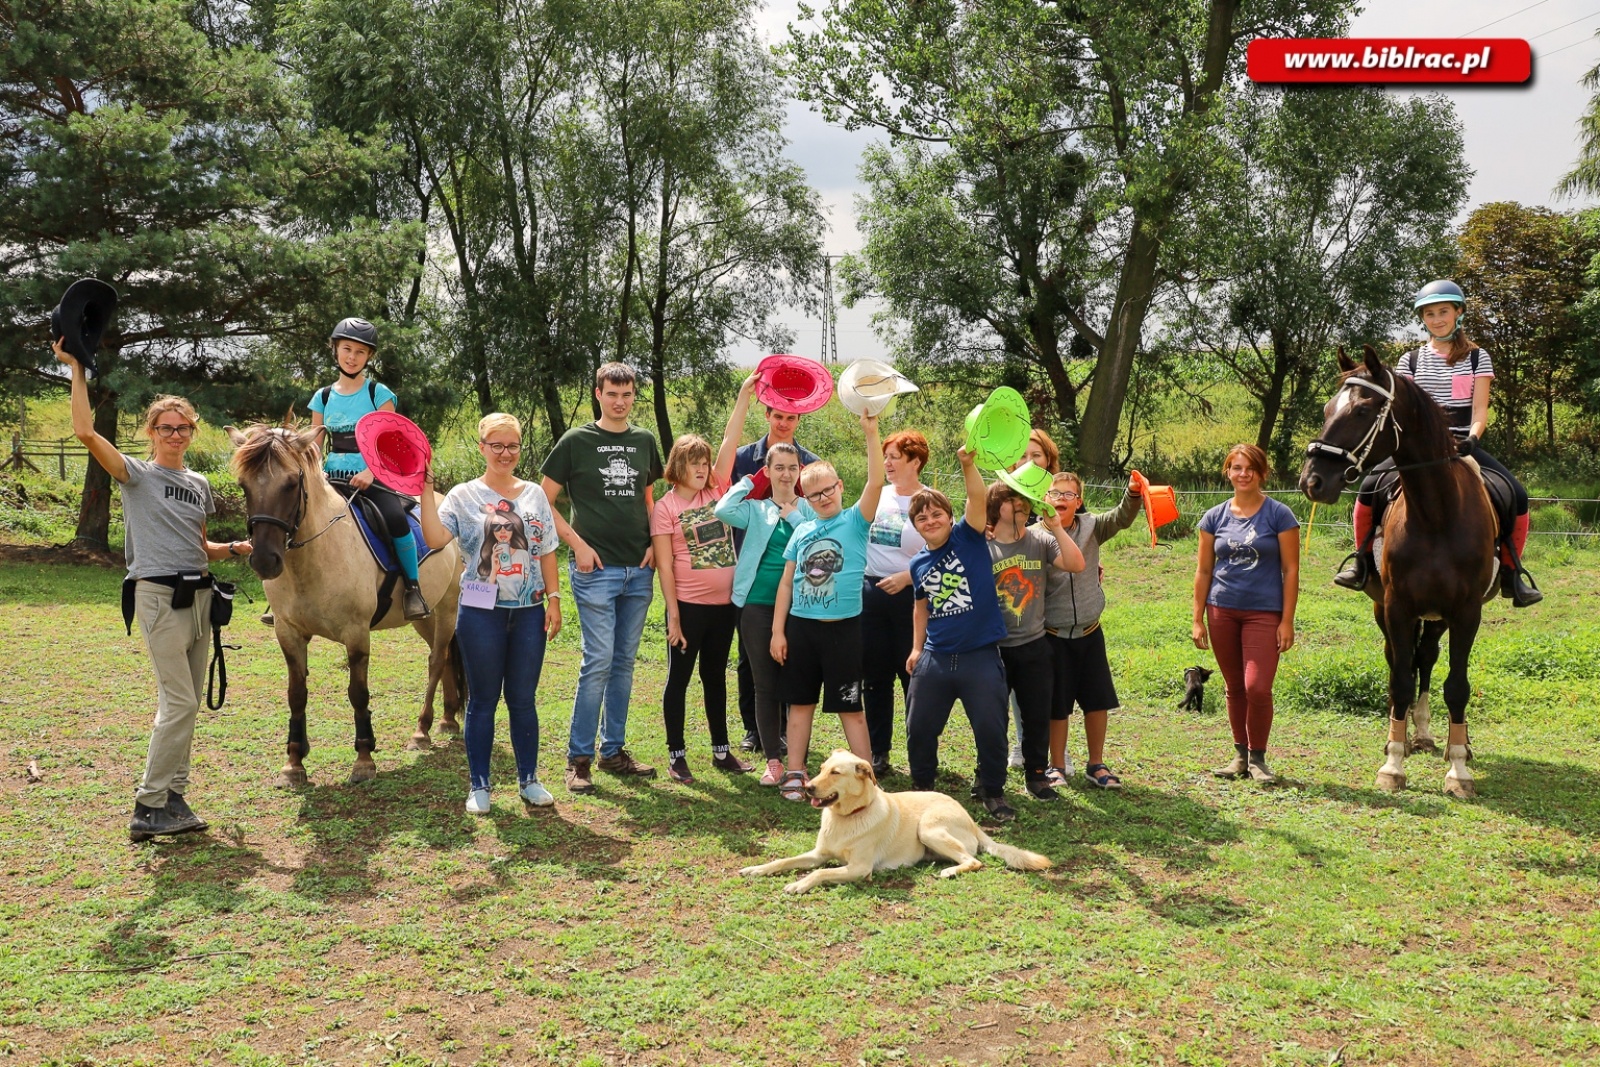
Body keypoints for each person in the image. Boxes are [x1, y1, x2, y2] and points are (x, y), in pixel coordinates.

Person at [57, 342, 252, 841]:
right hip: (158, 595)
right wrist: (78, 371)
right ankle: (148, 806)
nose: (176, 434)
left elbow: (199, 545)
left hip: (201, 597)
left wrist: (234, 548)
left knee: (184, 702)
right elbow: (84, 431)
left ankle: (174, 797)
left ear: (192, 431)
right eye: (166, 427)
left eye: (183, 427)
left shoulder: (200, 482)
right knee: (180, 701)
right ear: (152, 432)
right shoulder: (136, 474)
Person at [1333, 279, 1539, 606]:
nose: (1437, 319)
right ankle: (1360, 562)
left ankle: (1512, 574)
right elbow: (1403, 410)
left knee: (1516, 494)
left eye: (1444, 311)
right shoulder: (1410, 360)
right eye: (1430, 313)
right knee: (1368, 490)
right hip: (1417, 448)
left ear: (1458, 313)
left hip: (1462, 442)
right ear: (1423, 318)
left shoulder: (1477, 358)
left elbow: (1480, 409)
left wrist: (1473, 438)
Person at [417, 414, 561, 812]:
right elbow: (433, 538)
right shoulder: (463, 495)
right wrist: (427, 492)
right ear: (482, 447)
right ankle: (479, 786)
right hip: (481, 612)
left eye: (512, 445)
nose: (505, 453)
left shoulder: (533, 494)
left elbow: (546, 548)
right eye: (496, 445)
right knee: (482, 700)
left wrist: (554, 599)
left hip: (529, 611)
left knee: (522, 699)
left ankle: (528, 779)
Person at [541, 362, 665, 793]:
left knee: (624, 663)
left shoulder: (645, 441)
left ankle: (612, 751)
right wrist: (577, 544)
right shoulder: (576, 442)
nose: (620, 401)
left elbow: (650, 498)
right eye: (612, 393)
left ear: (634, 396)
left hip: (639, 569)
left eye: (627, 394)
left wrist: (654, 541)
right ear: (598, 393)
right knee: (598, 661)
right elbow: (544, 500)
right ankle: (578, 758)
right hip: (596, 571)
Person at [769, 413, 885, 801]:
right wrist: (777, 631)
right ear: (805, 497)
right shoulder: (801, 529)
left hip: (844, 631)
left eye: (828, 490)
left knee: (850, 709)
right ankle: (796, 773)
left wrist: (871, 431)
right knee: (800, 705)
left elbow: (875, 481)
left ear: (839, 486)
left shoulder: (855, 520)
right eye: (814, 494)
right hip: (802, 630)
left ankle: (866, 779)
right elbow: (787, 582)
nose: (823, 498)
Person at [903, 447, 1015, 820]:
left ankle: (993, 790)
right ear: (915, 526)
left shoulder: (967, 538)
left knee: (990, 728)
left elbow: (977, 497)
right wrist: (917, 649)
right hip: (936, 657)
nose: (930, 520)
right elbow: (921, 605)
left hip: (979, 657)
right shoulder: (917, 563)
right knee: (919, 728)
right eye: (922, 517)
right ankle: (922, 789)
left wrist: (967, 464)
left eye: (937, 514)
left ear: (951, 518)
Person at [651, 417, 752, 782]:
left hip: (724, 609)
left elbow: (730, 437)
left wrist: (744, 394)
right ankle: (677, 756)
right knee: (678, 679)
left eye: (705, 462)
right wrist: (673, 616)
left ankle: (721, 752)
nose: (701, 468)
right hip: (688, 609)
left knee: (715, 677)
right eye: (693, 462)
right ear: (678, 466)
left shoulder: (718, 493)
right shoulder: (665, 507)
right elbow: (664, 566)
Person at [308, 317, 428, 620]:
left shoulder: (378, 393)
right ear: (335, 350)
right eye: (346, 349)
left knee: (395, 518)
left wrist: (371, 473)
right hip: (331, 477)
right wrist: (316, 473)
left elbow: (391, 445)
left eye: (360, 352)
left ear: (369, 357)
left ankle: (413, 588)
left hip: (373, 477)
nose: (352, 357)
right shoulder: (322, 397)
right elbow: (314, 445)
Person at [1193, 444, 1300, 785]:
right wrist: (1197, 618)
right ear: (1228, 472)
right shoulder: (1214, 517)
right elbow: (1203, 571)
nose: (1243, 474)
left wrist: (1287, 620)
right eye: (1236, 467)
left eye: (1250, 468)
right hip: (1221, 609)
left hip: (1264, 612)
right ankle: (1240, 755)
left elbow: (1291, 569)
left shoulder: (1279, 515)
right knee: (1234, 686)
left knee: (1257, 687)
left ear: (1262, 473)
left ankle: (1259, 757)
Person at [716, 443, 815, 786]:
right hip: (756, 605)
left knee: (797, 681)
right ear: (769, 472)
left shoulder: (809, 509)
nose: (786, 474)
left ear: (800, 470)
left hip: (801, 607)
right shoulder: (755, 510)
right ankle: (773, 758)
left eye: (792, 467)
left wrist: (796, 517)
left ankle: (797, 757)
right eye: (779, 467)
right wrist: (750, 479)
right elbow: (722, 509)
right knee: (765, 684)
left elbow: (818, 543)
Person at [730, 392, 822, 752]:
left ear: (798, 421)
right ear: (767, 415)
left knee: (787, 656)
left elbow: (823, 517)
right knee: (749, 661)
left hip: (796, 577)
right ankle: (754, 729)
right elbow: (726, 497)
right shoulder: (745, 458)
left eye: (791, 418)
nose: (784, 423)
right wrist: (752, 481)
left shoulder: (810, 462)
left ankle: (784, 729)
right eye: (778, 416)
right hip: (752, 568)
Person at [986, 480, 1086, 801]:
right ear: (995, 507)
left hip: (1034, 645)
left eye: (1024, 499)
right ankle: (988, 776)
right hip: (995, 649)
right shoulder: (983, 546)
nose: (1020, 505)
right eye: (1011, 500)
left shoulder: (1041, 540)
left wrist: (1056, 527)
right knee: (991, 717)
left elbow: (1076, 564)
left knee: (1037, 715)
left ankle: (1036, 776)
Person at [1042, 470, 1142, 788]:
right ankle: (1056, 766)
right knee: (1057, 705)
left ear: (1079, 502)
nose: (1061, 499)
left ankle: (1096, 764)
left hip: (1089, 632)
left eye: (1068, 495)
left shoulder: (1092, 527)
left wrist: (1134, 493)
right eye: (1055, 493)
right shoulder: (1034, 535)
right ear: (1044, 499)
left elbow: (1122, 517)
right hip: (1052, 636)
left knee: (1097, 701)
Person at [860, 430, 931, 778]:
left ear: (915, 462)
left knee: (913, 677)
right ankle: (878, 753)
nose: (887, 463)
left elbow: (942, 552)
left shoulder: (930, 500)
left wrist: (908, 576)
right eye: (884, 456)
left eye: (894, 457)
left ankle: (920, 754)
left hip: (912, 599)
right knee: (874, 679)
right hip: (871, 596)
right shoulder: (878, 494)